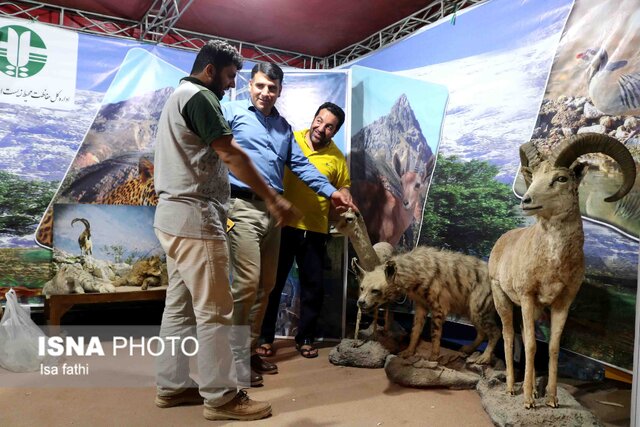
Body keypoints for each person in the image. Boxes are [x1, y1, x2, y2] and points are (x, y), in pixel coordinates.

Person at [153, 40, 298, 421]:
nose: (232, 85)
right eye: (231, 76)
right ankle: (221, 397)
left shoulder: (178, 97)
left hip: (173, 216)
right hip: (196, 217)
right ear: (210, 70)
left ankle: (171, 386)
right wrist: (272, 197)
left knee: (180, 308)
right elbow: (231, 154)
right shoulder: (200, 97)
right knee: (216, 309)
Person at [222, 64, 356, 385]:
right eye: (260, 86)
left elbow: (302, 166)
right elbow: (204, 147)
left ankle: (251, 352)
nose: (266, 93)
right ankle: (232, 361)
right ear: (250, 85)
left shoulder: (283, 128)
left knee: (266, 287)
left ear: (280, 91)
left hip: (274, 215)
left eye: (272, 88)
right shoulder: (229, 111)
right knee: (246, 286)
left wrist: (333, 192)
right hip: (240, 207)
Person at [259, 102, 352, 359]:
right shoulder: (290, 140)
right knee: (272, 284)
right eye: (319, 120)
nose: (321, 128)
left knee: (313, 286)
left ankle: (306, 337)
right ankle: (264, 337)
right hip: (283, 226)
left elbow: (343, 187)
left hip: (315, 229)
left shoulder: (337, 158)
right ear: (313, 118)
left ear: (335, 131)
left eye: (329, 126)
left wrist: (345, 196)